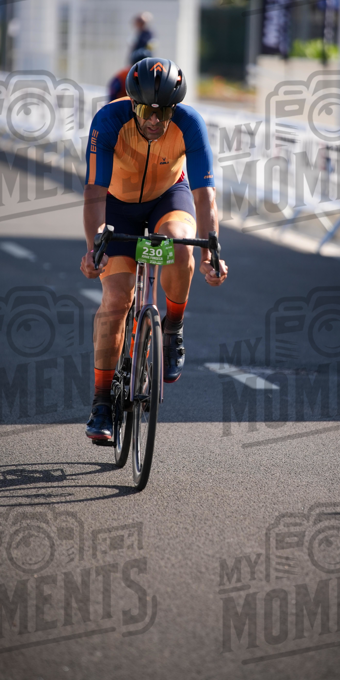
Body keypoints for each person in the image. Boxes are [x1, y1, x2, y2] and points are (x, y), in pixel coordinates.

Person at [80, 56, 228, 443]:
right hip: (117, 206)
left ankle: (173, 328)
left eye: (164, 112)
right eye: (147, 110)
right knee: (116, 299)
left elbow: (205, 197)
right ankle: (101, 403)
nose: (155, 121)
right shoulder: (108, 121)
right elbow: (94, 194)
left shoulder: (189, 125)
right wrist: (95, 247)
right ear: (133, 103)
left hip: (167, 197)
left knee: (182, 246)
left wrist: (213, 252)